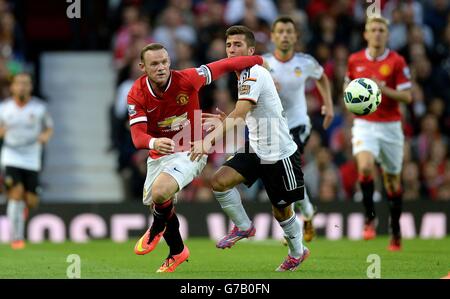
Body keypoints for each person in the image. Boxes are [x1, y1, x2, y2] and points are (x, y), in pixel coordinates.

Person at [128, 43, 264, 273]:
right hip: (159, 153)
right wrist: (153, 142)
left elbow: (227, 64)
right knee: (158, 202)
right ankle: (178, 251)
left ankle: (156, 228)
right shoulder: (137, 93)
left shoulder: (189, 78)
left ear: (169, 61)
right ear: (143, 67)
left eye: (164, 62)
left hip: (191, 149)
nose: (161, 67)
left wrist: (260, 61)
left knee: (160, 193)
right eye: (154, 64)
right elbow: (137, 136)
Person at [190, 25, 309, 272]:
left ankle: (298, 252)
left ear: (251, 50)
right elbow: (247, 113)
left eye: (238, 45)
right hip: (255, 147)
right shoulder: (242, 75)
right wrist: (227, 121)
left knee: (281, 210)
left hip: (278, 152)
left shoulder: (253, 72)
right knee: (219, 181)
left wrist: (208, 140)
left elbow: (242, 111)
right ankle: (244, 227)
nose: (232, 49)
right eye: (229, 45)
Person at [264, 16, 335, 242]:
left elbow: (322, 78)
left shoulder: (305, 62)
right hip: (273, 128)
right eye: (280, 32)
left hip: (297, 124)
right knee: (288, 174)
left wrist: (329, 106)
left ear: (295, 36)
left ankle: (293, 225)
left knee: (287, 170)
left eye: (289, 32)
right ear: (273, 36)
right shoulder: (263, 63)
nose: (285, 35)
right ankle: (308, 212)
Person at [345, 16, 412, 251]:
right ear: (365, 34)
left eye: (381, 29)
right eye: (372, 29)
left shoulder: (396, 61)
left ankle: (395, 229)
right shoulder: (355, 60)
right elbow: (348, 91)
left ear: (387, 34)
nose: (377, 33)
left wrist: (381, 89)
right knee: (364, 167)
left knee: (392, 181)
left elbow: (408, 96)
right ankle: (369, 217)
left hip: (391, 126)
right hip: (365, 124)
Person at [0, 73, 53, 249]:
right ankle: (17, 237)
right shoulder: (4, 108)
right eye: (19, 83)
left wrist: (45, 136)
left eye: (26, 83)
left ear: (31, 87)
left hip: (31, 156)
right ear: (12, 87)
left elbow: (49, 127)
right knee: (15, 193)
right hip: (11, 154)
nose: (22, 87)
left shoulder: (39, 108)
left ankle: (23, 208)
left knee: (31, 200)